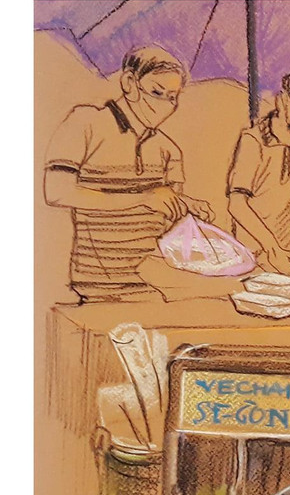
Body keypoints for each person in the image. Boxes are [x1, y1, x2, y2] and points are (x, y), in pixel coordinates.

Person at [44, 45, 213, 303]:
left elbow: (166, 212)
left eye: (172, 97)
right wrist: (143, 198)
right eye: (157, 92)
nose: (165, 105)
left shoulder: (168, 149)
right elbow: (57, 192)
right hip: (97, 284)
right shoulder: (86, 123)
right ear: (129, 83)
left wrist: (186, 205)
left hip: (154, 285)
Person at [226, 68, 290, 275]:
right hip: (252, 253)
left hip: (288, 252)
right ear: (282, 101)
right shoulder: (253, 141)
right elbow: (237, 204)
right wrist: (271, 247)